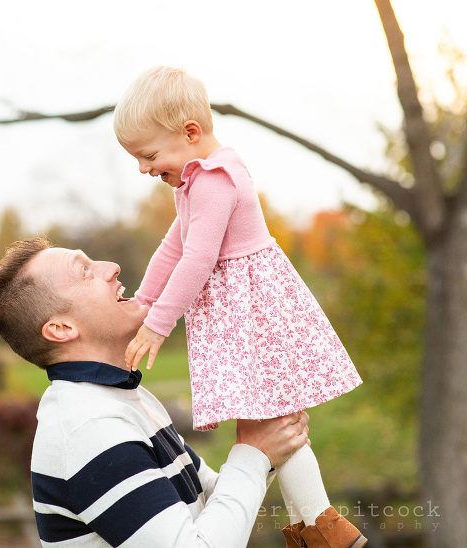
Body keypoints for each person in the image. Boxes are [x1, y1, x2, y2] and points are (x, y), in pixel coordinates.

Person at [112, 66, 365, 547]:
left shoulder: (214, 180)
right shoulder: (194, 182)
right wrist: (142, 303)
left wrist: (158, 325)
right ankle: (313, 528)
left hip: (251, 314)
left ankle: (324, 527)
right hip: (241, 311)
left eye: (148, 155)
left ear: (190, 133)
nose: (144, 169)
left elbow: (199, 258)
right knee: (270, 424)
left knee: (269, 423)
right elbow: (173, 248)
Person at [0, 238, 359, 547]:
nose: (111, 266)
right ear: (61, 328)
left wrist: (270, 440)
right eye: (85, 271)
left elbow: (211, 499)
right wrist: (252, 452)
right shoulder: (87, 430)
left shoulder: (124, 399)